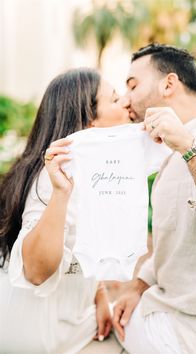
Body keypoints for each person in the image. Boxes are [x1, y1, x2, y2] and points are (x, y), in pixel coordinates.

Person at [113, 43, 196, 354]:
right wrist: (139, 285)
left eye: (133, 85)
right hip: (169, 312)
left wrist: (189, 147)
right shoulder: (171, 151)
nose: (125, 99)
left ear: (169, 84)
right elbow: (178, 243)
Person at [0, 68, 132, 353]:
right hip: (41, 338)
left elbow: (80, 244)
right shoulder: (54, 179)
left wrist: (98, 294)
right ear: (89, 119)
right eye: (115, 99)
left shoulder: (92, 171)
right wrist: (60, 194)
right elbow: (35, 271)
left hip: (74, 323)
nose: (126, 104)